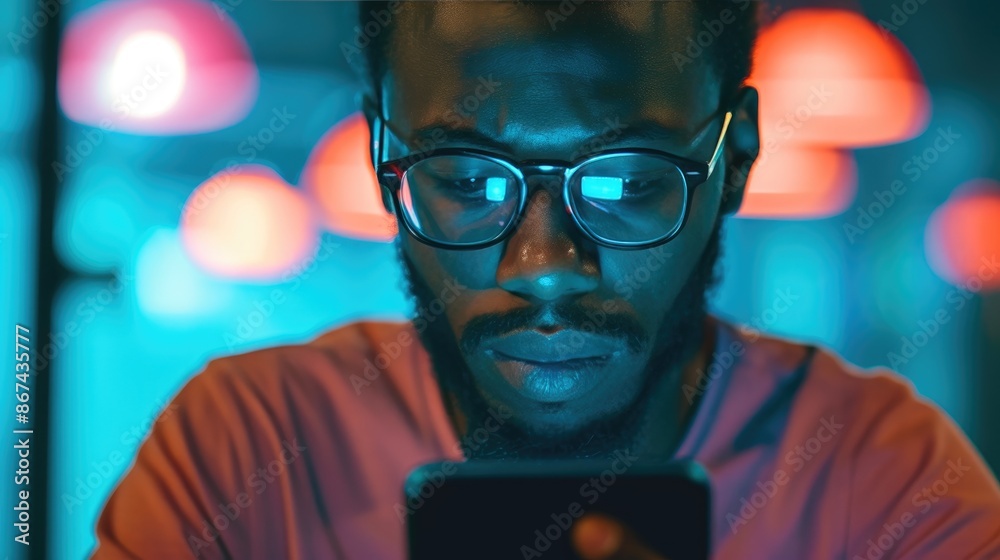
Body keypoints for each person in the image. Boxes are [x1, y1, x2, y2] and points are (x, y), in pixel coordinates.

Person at [92, 1, 1000, 559]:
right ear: (382, 164)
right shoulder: (247, 451)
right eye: (466, 181)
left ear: (737, 159)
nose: (547, 269)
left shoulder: (881, 478)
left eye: (630, 183)